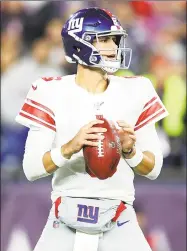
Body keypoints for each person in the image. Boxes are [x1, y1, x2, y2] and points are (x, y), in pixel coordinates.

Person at [15, 7, 169, 251]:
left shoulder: (137, 89)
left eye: (115, 40)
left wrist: (130, 152)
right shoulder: (50, 91)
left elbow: (154, 169)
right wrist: (69, 148)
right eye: (105, 39)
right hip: (63, 216)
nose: (114, 48)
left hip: (119, 218)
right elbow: (31, 169)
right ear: (80, 44)